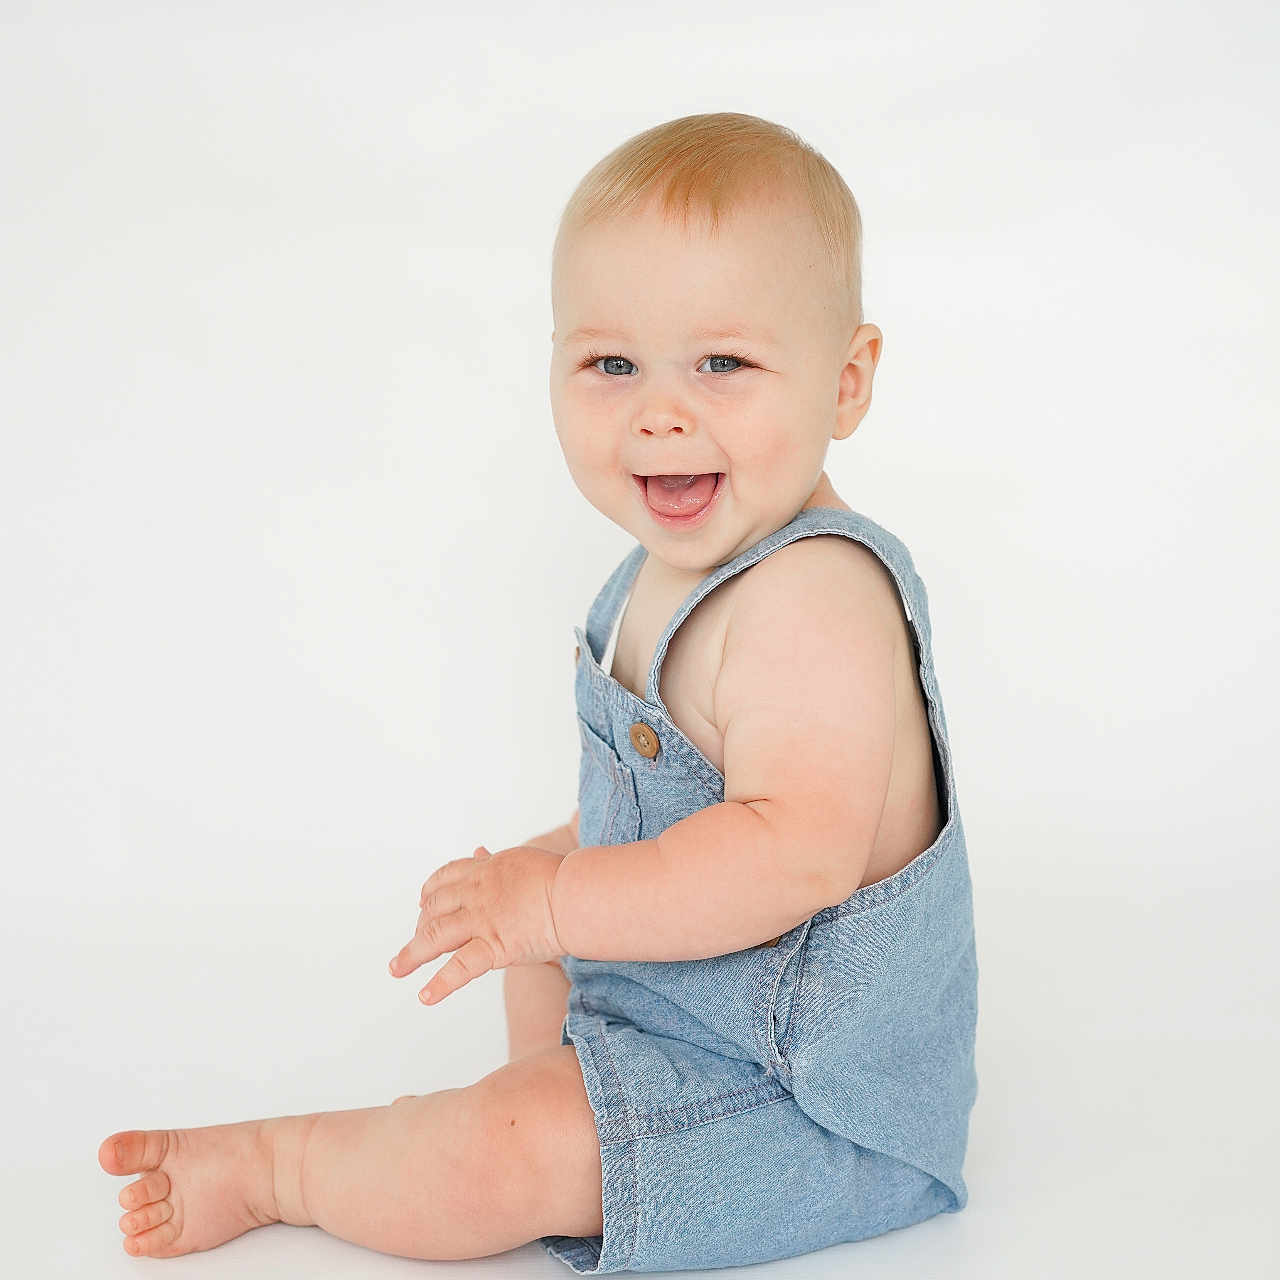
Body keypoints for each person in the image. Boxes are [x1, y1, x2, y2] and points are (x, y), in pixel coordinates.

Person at [98, 111, 978, 1271]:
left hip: (806, 1098)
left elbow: (791, 852)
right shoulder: (656, 575)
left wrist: (555, 898)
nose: (660, 409)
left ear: (846, 380)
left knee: (496, 1142)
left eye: (722, 362)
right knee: (536, 928)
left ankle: (291, 1163)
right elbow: (666, 816)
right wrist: (546, 877)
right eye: (612, 363)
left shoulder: (814, 595)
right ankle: (550, 1102)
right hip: (686, 1007)